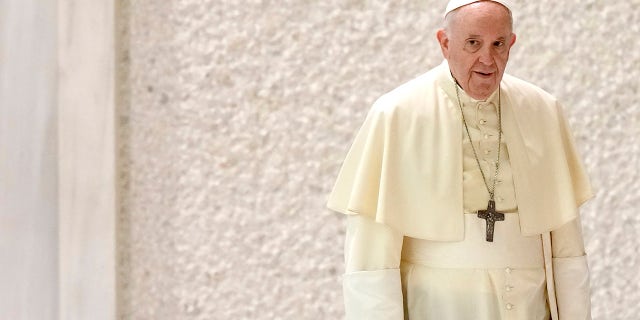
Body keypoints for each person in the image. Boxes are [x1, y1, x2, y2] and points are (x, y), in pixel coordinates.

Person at [327, 1, 593, 319]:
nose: (487, 59)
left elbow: (567, 246)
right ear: (444, 42)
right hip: (436, 305)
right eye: (473, 43)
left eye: (498, 44)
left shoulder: (542, 109)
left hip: (529, 304)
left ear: (511, 43)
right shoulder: (398, 113)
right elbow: (370, 258)